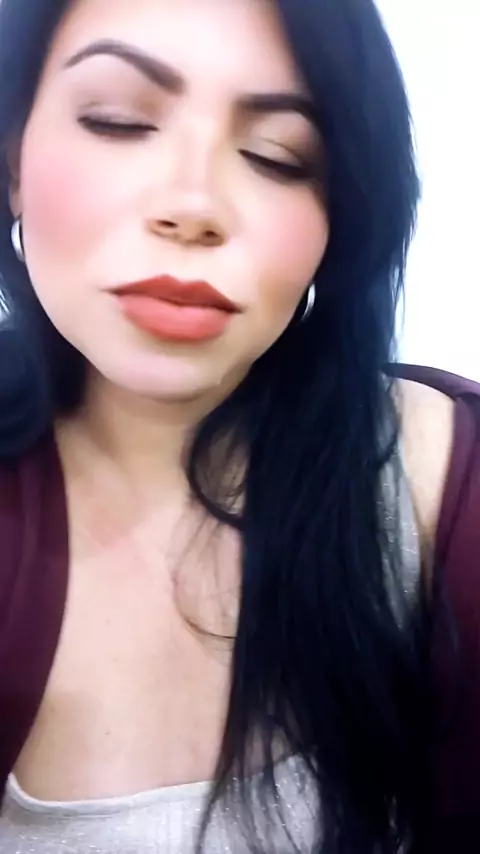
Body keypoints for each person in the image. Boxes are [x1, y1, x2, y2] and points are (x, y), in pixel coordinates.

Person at [0, 0, 462, 851]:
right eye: (118, 120)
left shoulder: (443, 484)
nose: (194, 204)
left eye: (278, 156)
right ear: (13, 163)